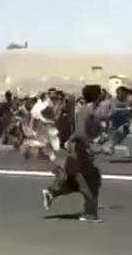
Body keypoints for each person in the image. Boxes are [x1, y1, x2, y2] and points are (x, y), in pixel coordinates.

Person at [43, 84, 104, 223]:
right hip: (79, 150)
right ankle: (89, 214)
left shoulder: (91, 110)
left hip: (80, 149)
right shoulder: (85, 111)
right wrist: (89, 146)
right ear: (97, 95)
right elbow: (81, 133)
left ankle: (53, 191)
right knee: (89, 182)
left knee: (82, 181)